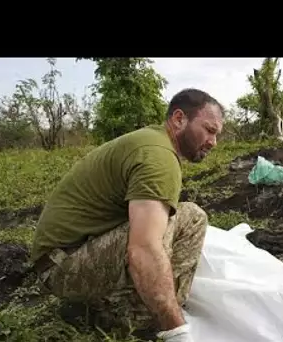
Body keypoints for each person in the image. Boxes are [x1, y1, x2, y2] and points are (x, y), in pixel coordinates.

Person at [30, 88, 225, 341]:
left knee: (175, 216)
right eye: (209, 130)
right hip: (63, 268)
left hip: (60, 258)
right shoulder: (159, 157)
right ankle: (145, 318)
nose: (214, 142)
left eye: (216, 134)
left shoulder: (152, 141)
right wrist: (177, 332)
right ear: (179, 119)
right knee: (190, 217)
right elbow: (144, 248)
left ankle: (110, 304)